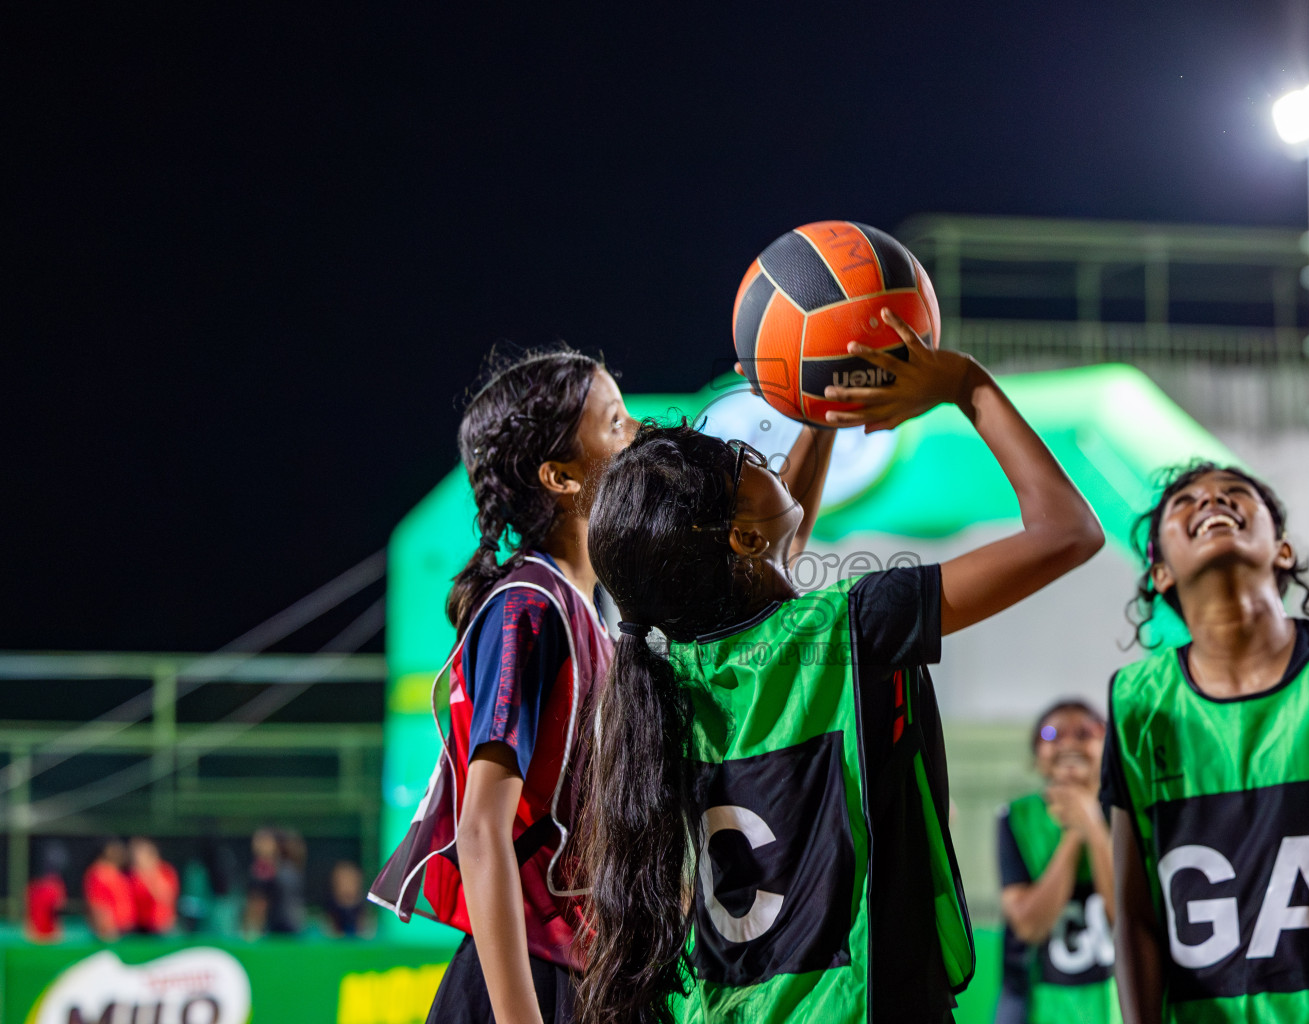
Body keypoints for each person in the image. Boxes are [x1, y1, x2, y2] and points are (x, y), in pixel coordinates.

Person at [577, 309, 1105, 1024]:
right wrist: (967, 384)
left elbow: (763, 574)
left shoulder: (670, 677)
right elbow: (1067, 532)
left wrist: (816, 407)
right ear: (738, 534)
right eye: (747, 463)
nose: (763, 458)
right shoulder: (855, 625)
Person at [372, 346, 740, 1024]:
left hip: (586, 975)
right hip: (529, 985)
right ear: (562, 476)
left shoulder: (587, 611)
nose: (638, 433)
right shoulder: (529, 607)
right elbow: (481, 828)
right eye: (615, 423)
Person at [1101, 462, 1309, 1024]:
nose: (1211, 501)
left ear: (1281, 549)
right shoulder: (1137, 698)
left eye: (1235, 493)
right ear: (1159, 573)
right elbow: (1134, 914)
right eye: (1187, 501)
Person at [997, 700, 1118, 1024]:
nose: (1069, 743)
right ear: (1037, 755)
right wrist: (1075, 832)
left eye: (1086, 732)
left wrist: (1093, 821)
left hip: (1115, 1003)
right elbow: (1028, 925)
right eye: (1053, 734)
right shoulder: (1016, 818)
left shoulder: (1131, 813)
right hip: (1039, 1005)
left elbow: (1124, 916)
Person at [83, 838, 134, 941]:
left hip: (125, 929)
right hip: (110, 932)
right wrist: (106, 929)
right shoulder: (99, 873)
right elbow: (98, 904)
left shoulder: (116, 872)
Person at [127, 837, 179, 935]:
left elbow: (164, 897)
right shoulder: (132, 876)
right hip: (139, 928)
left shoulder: (165, 872)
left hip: (163, 927)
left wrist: (149, 875)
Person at [26, 841, 69, 943]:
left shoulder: (33, 886)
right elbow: (58, 907)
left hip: (36, 935)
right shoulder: (55, 886)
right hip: (45, 936)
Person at [325, 860, 371, 937]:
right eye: (342, 881)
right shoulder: (325, 922)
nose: (346, 886)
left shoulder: (369, 921)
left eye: (350, 880)